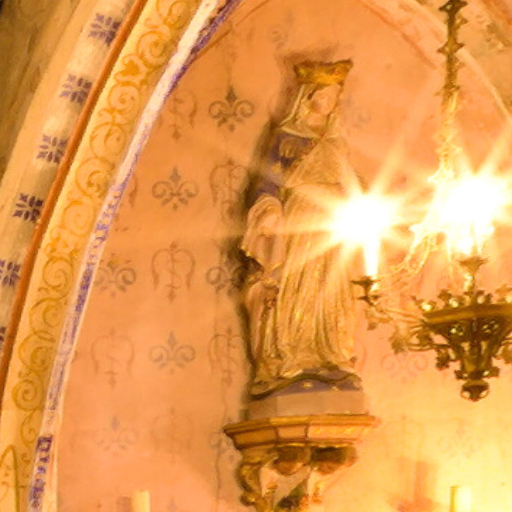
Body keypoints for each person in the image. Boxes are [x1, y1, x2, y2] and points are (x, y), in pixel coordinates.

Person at [242, 60, 361, 398]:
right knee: (298, 281)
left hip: (334, 220)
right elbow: (269, 182)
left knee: (333, 286)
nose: (331, 101)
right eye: (325, 95)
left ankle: (329, 352)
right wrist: (269, 210)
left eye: (335, 96)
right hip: (302, 216)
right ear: (309, 96)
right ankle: (292, 351)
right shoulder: (287, 136)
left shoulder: (337, 139)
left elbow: (349, 182)